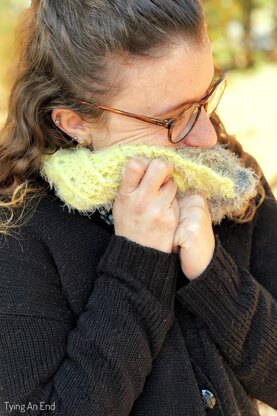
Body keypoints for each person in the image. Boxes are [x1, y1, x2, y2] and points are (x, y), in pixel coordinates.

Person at [0, 1, 276, 415]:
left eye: (205, 97)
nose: (204, 137)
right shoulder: (18, 228)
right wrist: (137, 265)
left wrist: (213, 272)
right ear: (74, 122)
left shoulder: (231, 181)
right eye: (172, 118)